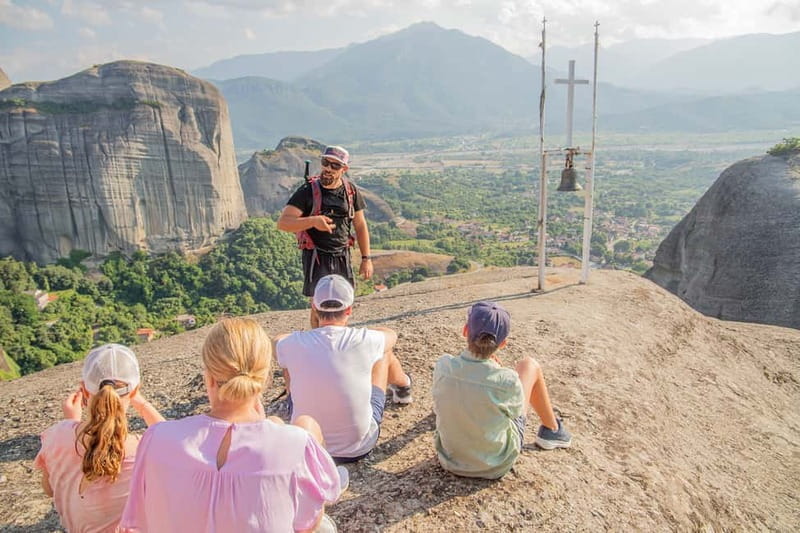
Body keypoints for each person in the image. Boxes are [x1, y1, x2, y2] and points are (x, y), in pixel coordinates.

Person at [119, 318, 345, 533]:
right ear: (265, 378)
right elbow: (307, 523)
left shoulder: (156, 439)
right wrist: (264, 429)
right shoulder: (294, 445)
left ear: (208, 378)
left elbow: (140, 522)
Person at [276, 274, 412, 463]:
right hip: (358, 448)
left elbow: (278, 340)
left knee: (287, 360)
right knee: (383, 351)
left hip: (309, 445)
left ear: (314, 307)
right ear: (348, 309)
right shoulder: (364, 340)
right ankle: (404, 387)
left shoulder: (293, 344)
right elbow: (391, 335)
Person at [432, 301, 572, 479]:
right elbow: (515, 414)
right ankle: (552, 430)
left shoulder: (443, 366)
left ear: (465, 331)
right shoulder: (508, 380)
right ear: (503, 343)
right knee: (529, 365)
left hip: (450, 460)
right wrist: (497, 373)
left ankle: (551, 430)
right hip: (495, 465)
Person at [33, 344, 164, 533]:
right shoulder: (145, 449)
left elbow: (50, 489)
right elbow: (173, 440)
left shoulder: (56, 436)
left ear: (84, 391)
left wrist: (70, 423)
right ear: (135, 390)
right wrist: (140, 402)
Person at [277, 145, 374, 328]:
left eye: (335, 165)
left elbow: (360, 225)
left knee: (343, 303)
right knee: (318, 307)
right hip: (316, 256)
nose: (328, 168)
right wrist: (313, 221)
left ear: (344, 169)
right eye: (325, 163)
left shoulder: (351, 191)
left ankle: (336, 340)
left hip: (342, 254)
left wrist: (366, 259)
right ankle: (319, 341)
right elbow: (283, 223)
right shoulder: (307, 191)